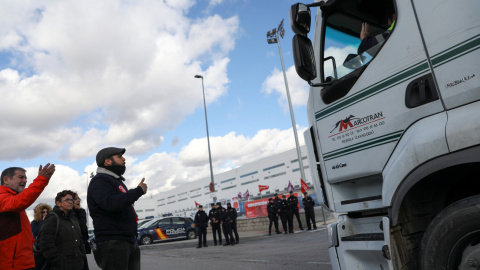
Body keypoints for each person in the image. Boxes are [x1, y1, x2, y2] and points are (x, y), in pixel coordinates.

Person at [87, 147, 147, 270]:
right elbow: (111, 204)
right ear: (107, 161)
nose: (124, 159)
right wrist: (138, 191)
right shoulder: (100, 180)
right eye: (119, 156)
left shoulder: (114, 180)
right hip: (113, 242)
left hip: (126, 239)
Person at [0, 164, 56, 270]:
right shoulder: (2, 197)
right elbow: (21, 200)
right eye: (21, 177)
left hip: (24, 262)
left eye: (26, 178)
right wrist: (41, 180)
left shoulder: (14, 199)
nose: (25, 181)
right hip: (12, 264)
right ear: (6, 180)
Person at [39, 190, 86, 270]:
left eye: (72, 200)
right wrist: (60, 262)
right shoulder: (52, 218)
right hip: (60, 266)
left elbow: (80, 241)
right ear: (58, 203)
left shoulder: (73, 218)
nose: (70, 202)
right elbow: (45, 245)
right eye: (67, 200)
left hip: (77, 265)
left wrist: (82, 257)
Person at [72, 192, 91, 270]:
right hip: (72, 248)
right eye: (75, 199)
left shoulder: (81, 212)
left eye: (78, 198)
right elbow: (79, 226)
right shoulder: (69, 214)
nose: (78, 200)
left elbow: (83, 227)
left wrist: (80, 211)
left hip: (81, 247)